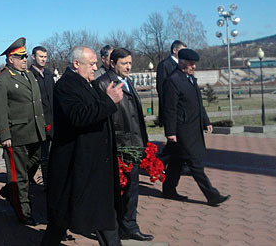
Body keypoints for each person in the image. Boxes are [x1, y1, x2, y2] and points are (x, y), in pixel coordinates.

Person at [42, 46, 124, 246]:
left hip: (93, 162)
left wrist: (105, 99)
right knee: (62, 217)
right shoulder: (66, 86)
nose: (96, 67)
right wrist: (108, 101)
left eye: (96, 63)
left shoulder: (89, 83)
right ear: (76, 64)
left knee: (104, 214)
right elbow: (79, 116)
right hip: (75, 164)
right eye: (92, 63)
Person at [94, 48, 153, 242]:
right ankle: (121, 226)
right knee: (120, 190)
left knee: (131, 188)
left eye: (130, 62)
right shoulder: (103, 84)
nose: (128, 66)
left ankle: (128, 225)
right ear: (112, 63)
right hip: (119, 145)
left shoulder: (129, 81)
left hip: (133, 142)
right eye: (124, 63)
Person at [162, 48, 230, 207]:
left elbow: (199, 104)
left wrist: (206, 121)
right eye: (191, 64)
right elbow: (169, 109)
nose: (194, 67)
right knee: (195, 163)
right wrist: (170, 132)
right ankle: (212, 195)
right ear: (182, 62)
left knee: (176, 161)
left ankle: (169, 190)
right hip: (182, 130)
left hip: (194, 128)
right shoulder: (173, 80)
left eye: (194, 64)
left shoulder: (191, 79)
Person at [0, 37, 46, 225]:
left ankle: (10, 190)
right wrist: (4, 134)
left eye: (25, 57)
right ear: (10, 59)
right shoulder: (1, 80)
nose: (24, 60)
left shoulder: (29, 75)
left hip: (35, 132)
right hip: (17, 134)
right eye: (20, 57)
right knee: (20, 176)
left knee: (35, 161)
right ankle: (24, 212)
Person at [27, 46, 55, 188]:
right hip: (38, 121)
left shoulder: (49, 74)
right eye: (40, 56)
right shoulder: (29, 75)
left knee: (50, 154)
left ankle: (46, 180)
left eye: (45, 57)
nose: (43, 59)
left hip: (52, 119)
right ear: (33, 57)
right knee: (40, 155)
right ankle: (47, 183)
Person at [156, 40, 187, 126]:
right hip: (171, 108)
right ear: (175, 50)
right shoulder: (165, 65)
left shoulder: (183, 65)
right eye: (182, 50)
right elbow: (161, 88)